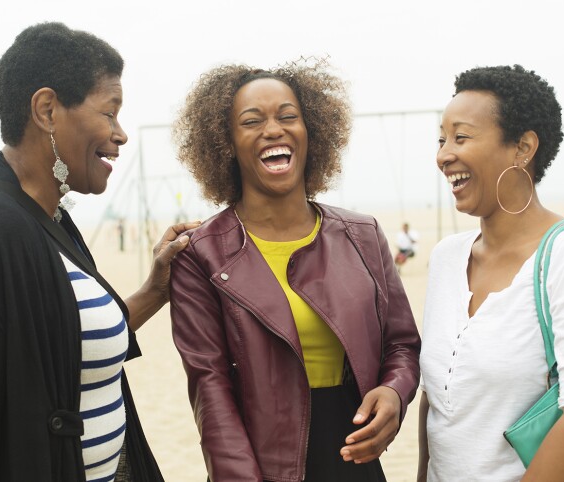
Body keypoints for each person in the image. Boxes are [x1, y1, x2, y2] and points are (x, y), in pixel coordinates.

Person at [0, 22, 199, 481]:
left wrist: (155, 290)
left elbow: (59, 344)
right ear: (47, 110)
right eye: (110, 113)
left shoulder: (48, 219)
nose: (121, 135)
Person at [169, 61, 422, 482]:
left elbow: (402, 344)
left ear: (311, 132)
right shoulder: (202, 255)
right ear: (226, 142)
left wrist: (395, 391)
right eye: (252, 121)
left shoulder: (362, 235)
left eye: (288, 117)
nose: (274, 130)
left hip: (354, 461)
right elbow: (210, 390)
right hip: (258, 467)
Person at [417, 65, 564, 481]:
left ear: (523, 148)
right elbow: (439, 401)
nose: (444, 155)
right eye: (442, 139)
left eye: (461, 137)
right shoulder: (446, 258)